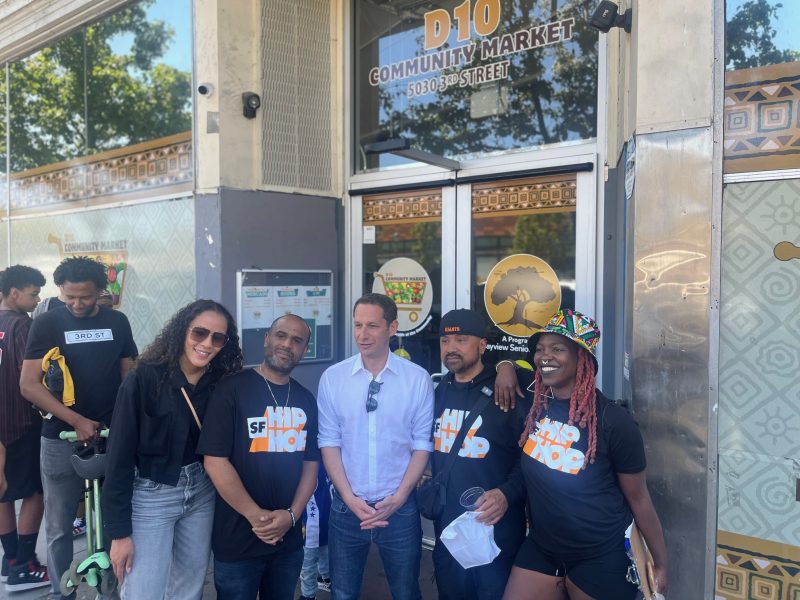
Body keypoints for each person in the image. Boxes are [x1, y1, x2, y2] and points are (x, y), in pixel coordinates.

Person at [503, 309, 668, 600]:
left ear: (583, 359)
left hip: (601, 554)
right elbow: (501, 365)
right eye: (540, 349)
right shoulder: (536, 404)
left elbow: (639, 497)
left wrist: (660, 562)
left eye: (557, 349)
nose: (544, 357)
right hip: (543, 547)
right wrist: (504, 364)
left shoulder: (613, 420)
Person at [102, 299, 243, 599]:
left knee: (189, 588)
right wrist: (118, 533)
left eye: (218, 338)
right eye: (200, 333)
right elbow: (118, 459)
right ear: (182, 331)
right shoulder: (144, 378)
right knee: (143, 590)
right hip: (150, 494)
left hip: (202, 490)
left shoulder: (222, 382)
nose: (207, 344)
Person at [19, 256, 138, 598]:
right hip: (61, 438)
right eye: (68, 296)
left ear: (101, 292)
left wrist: (123, 422)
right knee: (58, 526)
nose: (76, 303)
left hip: (111, 436)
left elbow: (128, 374)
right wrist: (76, 421)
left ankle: (112, 591)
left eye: (84, 297)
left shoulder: (117, 322)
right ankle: (62, 592)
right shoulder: (47, 324)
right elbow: (29, 384)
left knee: (111, 523)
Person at [317, 293, 434, 600]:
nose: (362, 334)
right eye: (357, 325)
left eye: (372, 325)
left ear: (392, 327)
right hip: (346, 506)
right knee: (342, 593)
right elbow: (329, 442)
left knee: (406, 591)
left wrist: (400, 496)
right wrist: (348, 496)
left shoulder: (416, 379)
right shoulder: (333, 378)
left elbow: (422, 444)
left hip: (399, 506)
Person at [199, 314, 320, 600]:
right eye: (281, 335)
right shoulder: (231, 389)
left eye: (297, 340)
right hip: (238, 539)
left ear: (304, 350)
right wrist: (257, 518)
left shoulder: (305, 400)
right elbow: (214, 461)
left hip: (287, 541)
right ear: (267, 338)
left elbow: (311, 464)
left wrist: (291, 516)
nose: (287, 344)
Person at [432, 309, 529, 600]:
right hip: (449, 532)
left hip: (495, 531)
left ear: (483, 345)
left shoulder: (507, 391)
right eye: (445, 341)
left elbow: (532, 460)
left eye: (461, 340)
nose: (451, 349)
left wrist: (506, 493)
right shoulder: (438, 391)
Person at [0, 266, 50, 592]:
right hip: (21, 423)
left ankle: (9, 560)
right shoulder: (22, 326)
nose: (37, 300)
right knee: (35, 492)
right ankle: (24, 565)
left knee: (3, 492)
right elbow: (30, 379)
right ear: (14, 292)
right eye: (33, 293)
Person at [297, 464, 332, 600]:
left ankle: (313, 590)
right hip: (316, 522)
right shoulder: (317, 462)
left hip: (318, 521)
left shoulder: (318, 464)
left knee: (313, 559)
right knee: (315, 557)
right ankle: (315, 588)